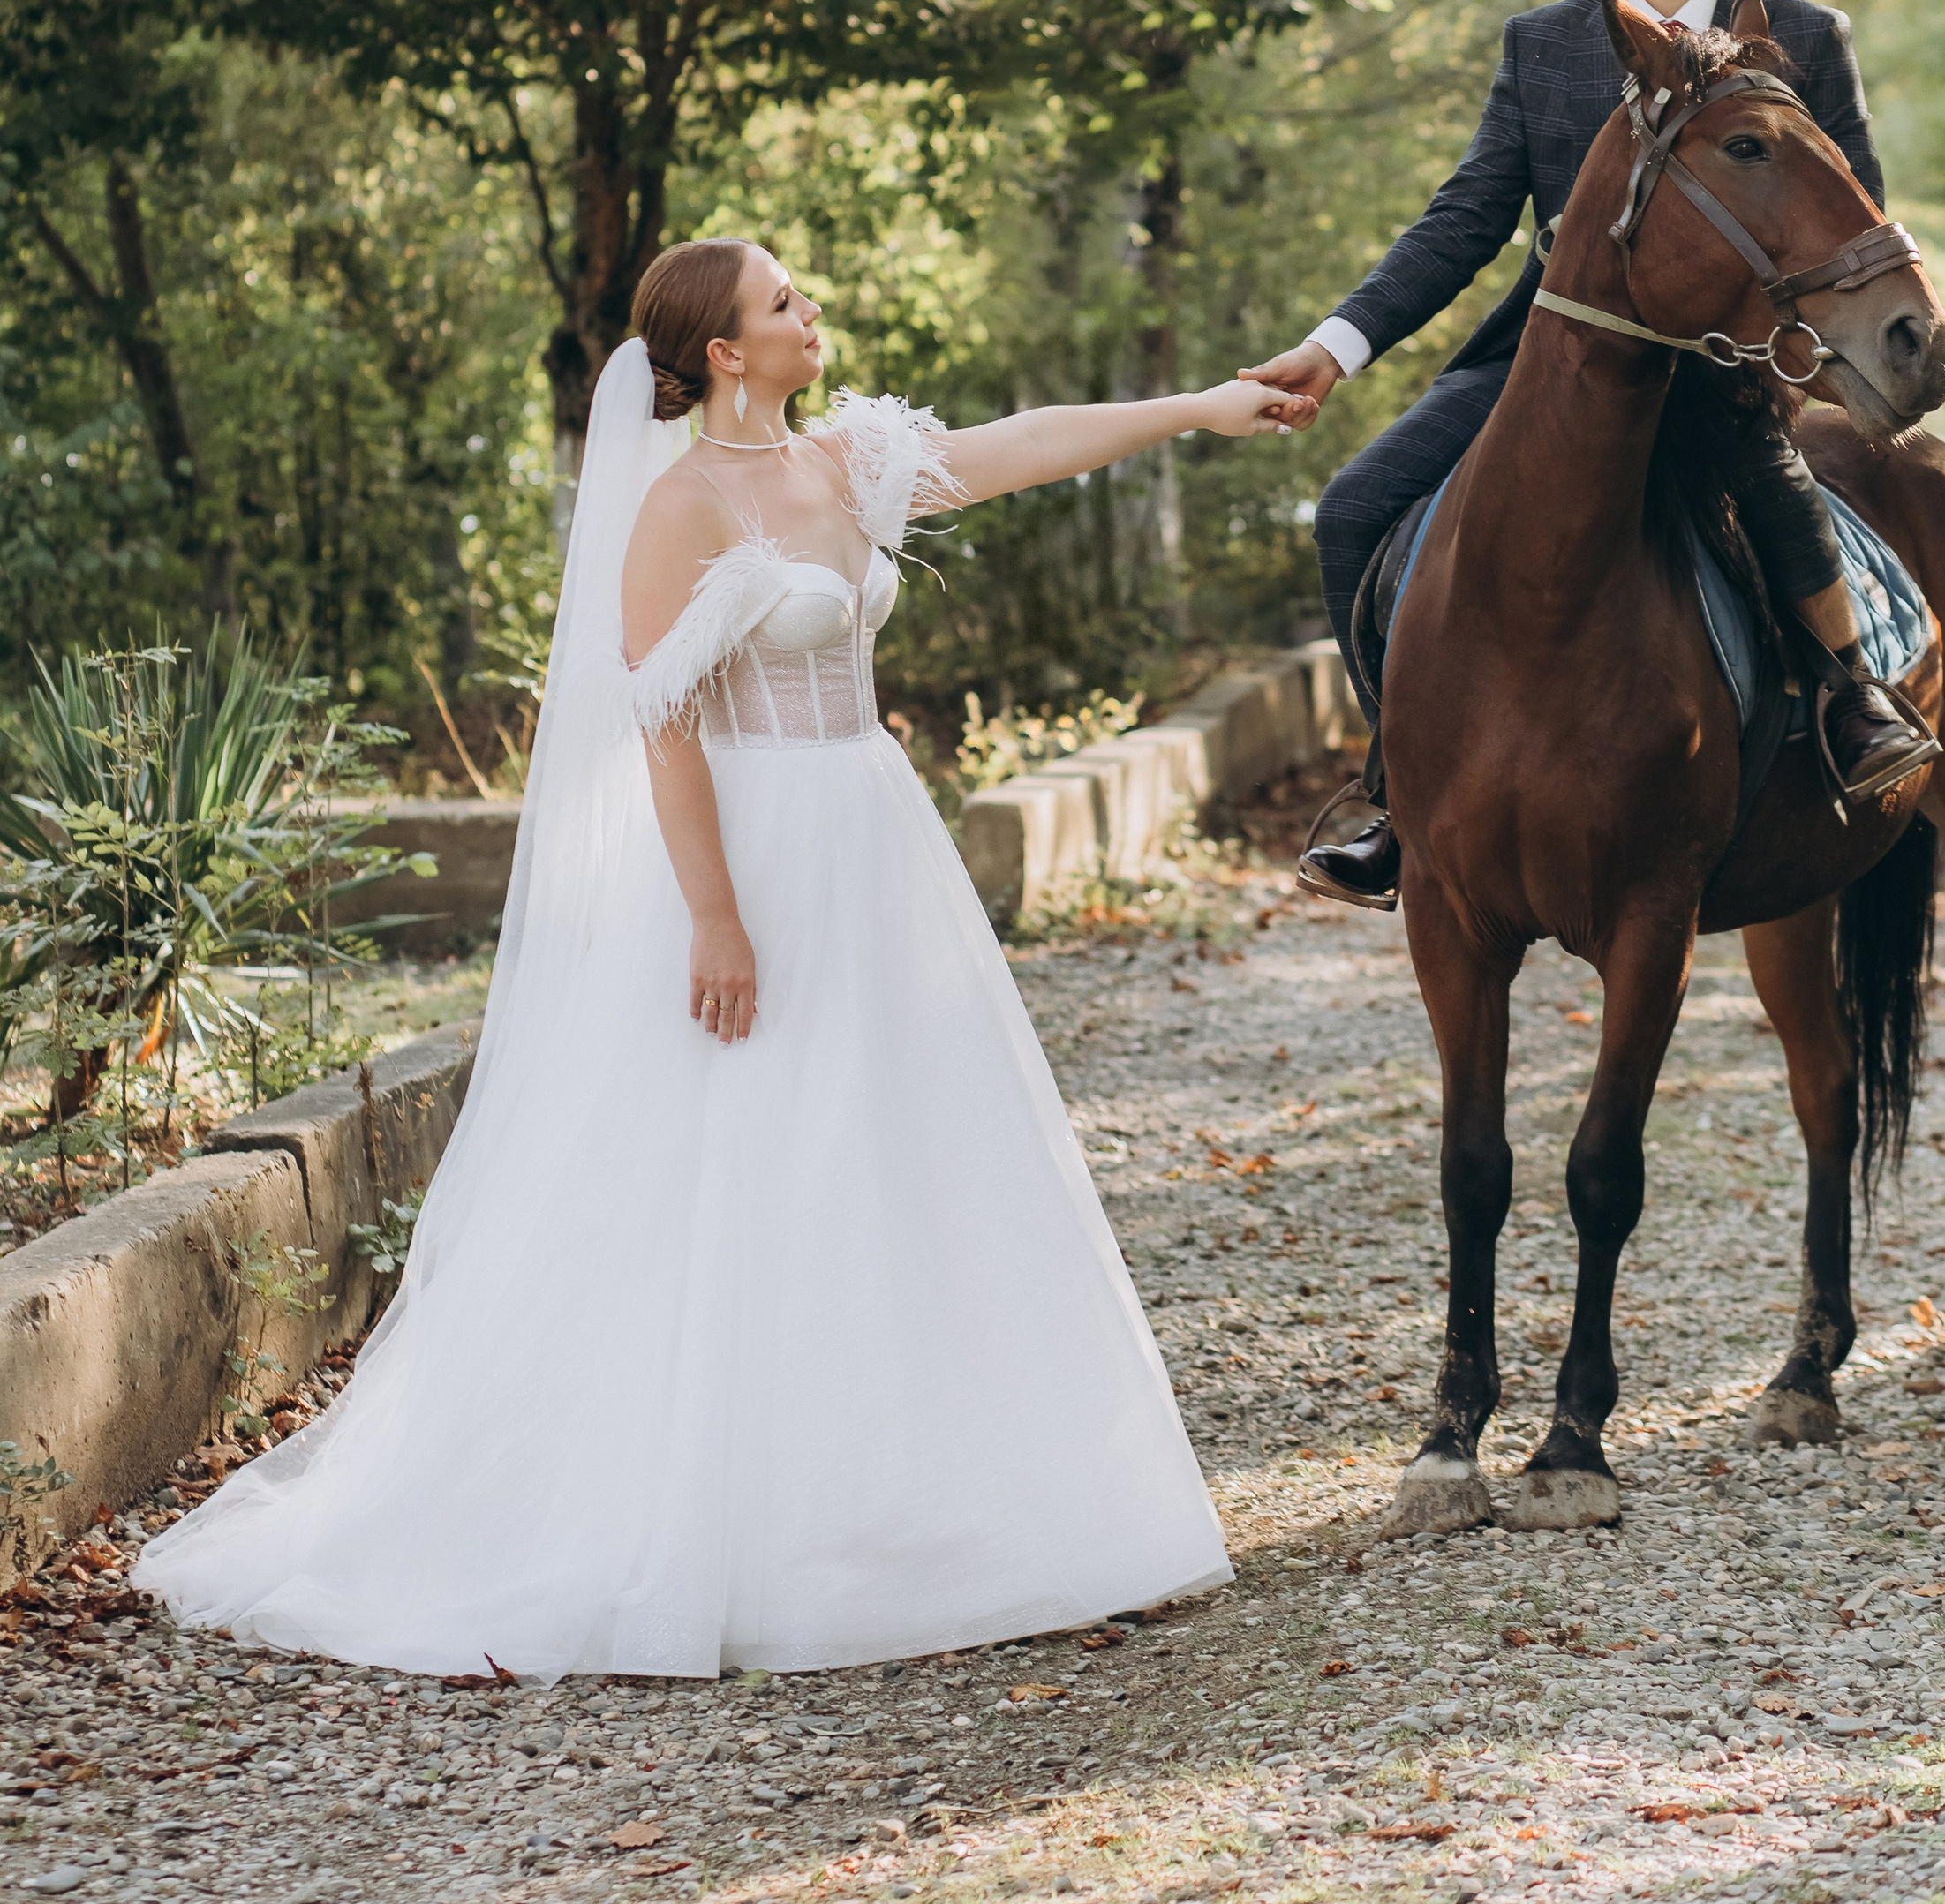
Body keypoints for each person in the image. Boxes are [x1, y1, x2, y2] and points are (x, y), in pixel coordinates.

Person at [138, 242, 1298, 1680]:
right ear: (727, 352)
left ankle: (934, 1506)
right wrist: (716, 916)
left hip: (872, 839)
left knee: (902, 1149)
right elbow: (665, 725)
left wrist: (1198, 407)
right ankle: (735, 1528)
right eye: (786, 303)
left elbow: (1018, 449)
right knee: (753, 1156)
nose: (814, 314)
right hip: (751, 853)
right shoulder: (676, 507)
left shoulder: (849, 461)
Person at [1243, 0, 1940, 907]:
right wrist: (1336, 346)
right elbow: (1466, 218)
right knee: (1353, 509)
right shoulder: (1543, 44)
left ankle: (1852, 700)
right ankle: (1395, 788)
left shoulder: (1804, 37)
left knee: (1774, 494)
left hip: (1724, 365)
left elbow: (1849, 208)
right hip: (1540, 364)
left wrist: (1803, 359)